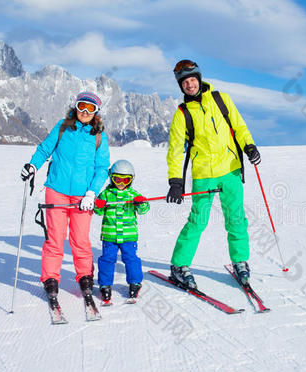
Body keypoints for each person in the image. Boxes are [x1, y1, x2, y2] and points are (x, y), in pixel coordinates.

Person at [165, 59, 261, 289]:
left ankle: (240, 262)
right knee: (197, 221)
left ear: (198, 79)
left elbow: (239, 126)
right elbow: (176, 151)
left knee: (236, 218)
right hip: (204, 174)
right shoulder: (182, 114)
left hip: (230, 170)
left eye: (192, 80)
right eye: (184, 83)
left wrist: (249, 146)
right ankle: (179, 265)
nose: (189, 85)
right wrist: (176, 181)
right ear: (181, 86)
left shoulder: (222, 99)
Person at [20, 91, 110, 308]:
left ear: (96, 112)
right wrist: (33, 165)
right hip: (57, 190)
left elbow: (101, 168)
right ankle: (50, 278)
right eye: (82, 107)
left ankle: (85, 277)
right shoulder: (62, 127)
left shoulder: (99, 136)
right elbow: (44, 150)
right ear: (76, 107)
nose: (85, 112)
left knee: (80, 239)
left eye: (90, 108)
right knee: (55, 238)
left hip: (82, 196)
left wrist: (92, 193)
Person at [93, 160, 150, 304]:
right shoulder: (106, 194)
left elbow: (144, 209)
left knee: (131, 258)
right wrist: (98, 205)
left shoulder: (133, 194)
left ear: (131, 180)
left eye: (126, 180)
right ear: (111, 178)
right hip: (110, 235)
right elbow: (98, 211)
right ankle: (105, 284)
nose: (121, 183)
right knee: (107, 259)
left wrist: (141, 203)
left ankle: (135, 282)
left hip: (128, 236)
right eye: (117, 179)